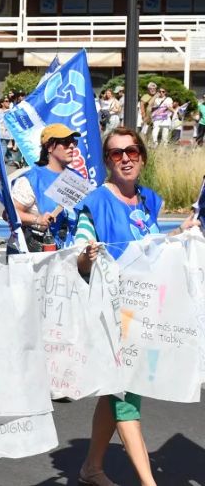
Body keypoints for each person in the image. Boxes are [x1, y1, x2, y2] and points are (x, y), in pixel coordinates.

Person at [75, 127, 199, 486]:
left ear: (142, 156)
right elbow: (79, 257)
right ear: (108, 161)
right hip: (113, 313)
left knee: (120, 391)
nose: (125, 158)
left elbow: (153, 247)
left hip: (146, 310)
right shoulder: (95, 201)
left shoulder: (149, 199)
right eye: (116, 153)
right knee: (127, 396)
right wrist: (86, 255)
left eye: (131, 151)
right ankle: (148, 482)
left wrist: (180, 234)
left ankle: (91, 468)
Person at [12, 124, 79, 251]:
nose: (71, 146)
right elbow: (10, 214)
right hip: (38, 249)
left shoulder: (76, 177)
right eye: (65, 142)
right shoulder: (31, 179)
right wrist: (37, 219)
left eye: (73, 142)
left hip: (72, 250)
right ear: (49, 147)